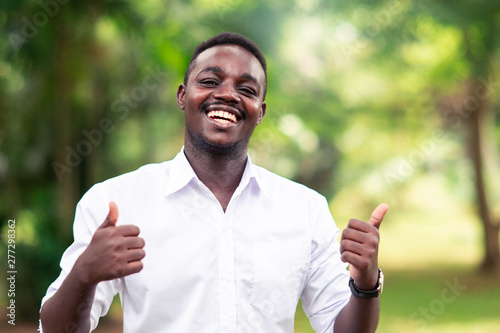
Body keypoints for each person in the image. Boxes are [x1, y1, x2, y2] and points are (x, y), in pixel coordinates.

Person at [39, 32, 388, 333]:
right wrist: (83, 274)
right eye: (209, 81)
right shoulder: (117, 202)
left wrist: (365, 283)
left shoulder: (305, 209)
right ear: (182, 96)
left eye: (246, 89)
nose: (227, 94)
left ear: (260, 112)